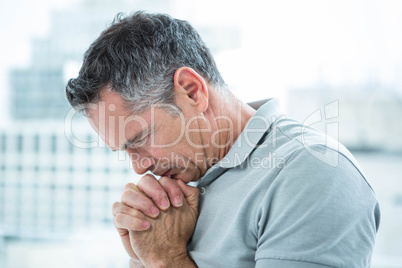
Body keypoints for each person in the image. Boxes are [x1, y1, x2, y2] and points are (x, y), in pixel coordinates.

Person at [65, 11, 380, 268]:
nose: (138, 167)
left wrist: (164, 260)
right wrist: (140, 255)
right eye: (124, 150)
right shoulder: (175, 194)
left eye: (140, 138)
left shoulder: (312, 174)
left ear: (192, 90)